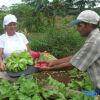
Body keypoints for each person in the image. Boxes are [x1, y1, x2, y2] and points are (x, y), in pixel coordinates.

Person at [38, 10, 100, 96]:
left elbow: (72, 65)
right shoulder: (95, 37)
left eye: (79, 25)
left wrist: (50, 68)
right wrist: (54, 62)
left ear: (89, 25)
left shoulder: (94, 41)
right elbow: (77, 56)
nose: (77, 28)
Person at [0, 14, 31, 80]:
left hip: (25, 67)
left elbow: (29, 51)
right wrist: (1, 63)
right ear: (5, 26)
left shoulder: (21, 35)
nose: (12, 26)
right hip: (9, 69)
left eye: (14, 24)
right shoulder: (2, 38)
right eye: (10, 24)